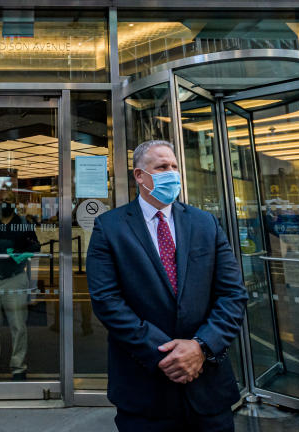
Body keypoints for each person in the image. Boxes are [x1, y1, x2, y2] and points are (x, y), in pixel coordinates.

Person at [86, 140, 247, 432]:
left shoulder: (206, 224)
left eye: (174, 167)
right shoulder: (109, 227)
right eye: (162, 167)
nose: (171, 173)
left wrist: (200, 347)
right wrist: (165, 354)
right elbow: (107, 301)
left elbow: (233, 294)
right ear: (139, 176)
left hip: (208, 388)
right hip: (145, 392)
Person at [0, 191, 41, 381]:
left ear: (15, 204)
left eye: (9, 201)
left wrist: (21, 253)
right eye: (2, 201)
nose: (5, 204)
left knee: (18, 325)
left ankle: (19, 367)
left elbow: (35, 247)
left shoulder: (23, 223)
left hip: (15, 276)